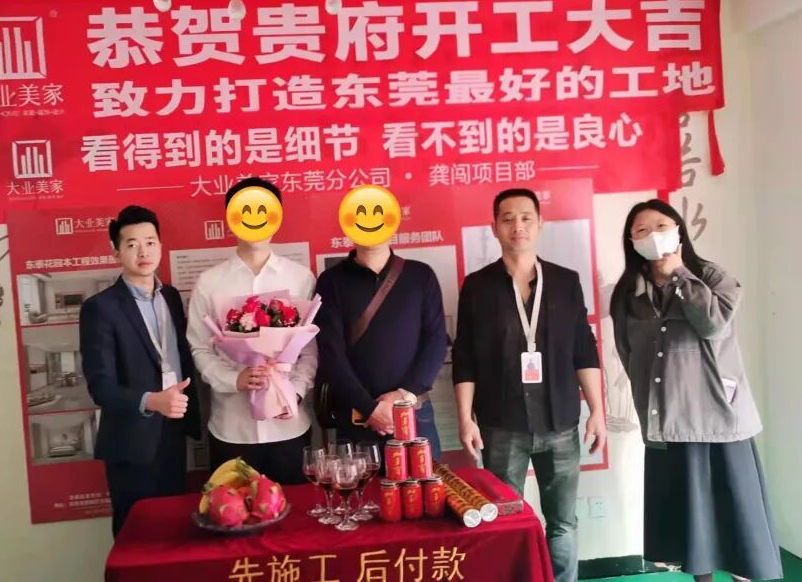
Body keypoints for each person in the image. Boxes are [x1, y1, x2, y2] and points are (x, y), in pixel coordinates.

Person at [610, 199, 781, 582]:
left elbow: (713, 325)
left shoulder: (711, 276)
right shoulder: (629, 293)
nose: (652, 235)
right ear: (631, 241)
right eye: (641, 230)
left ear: (678, 230)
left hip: (718, 417)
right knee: (690, 523)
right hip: (668, 419)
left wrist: (679, 275)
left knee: (737, 516)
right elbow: (627, 351)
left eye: (661, 226)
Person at [452, 188, 605, 582]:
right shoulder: (477, 287)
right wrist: (466, 419)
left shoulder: (566, 282)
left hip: (560, 422)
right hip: (502, 424)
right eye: (507, 219)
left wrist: (597, 412)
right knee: (506, 521)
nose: (517, 226)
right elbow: (465, 358)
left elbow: (584, 351)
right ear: (494, 227)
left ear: (540, 224)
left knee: (563, 523)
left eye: (525, 218)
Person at [187, 177, 317, 485]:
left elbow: (310, 350)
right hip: (232, 429)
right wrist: (234, 379)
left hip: (289, 427)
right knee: (232, 511)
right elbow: (200, 348)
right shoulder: (209, 282)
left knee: (295, 512)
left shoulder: (301, 278)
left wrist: (294, 393)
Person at [80, 205, 200, 537]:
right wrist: (151, 401)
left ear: (161, 246)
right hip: (131, 440)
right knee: (137, 532)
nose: (143, 252)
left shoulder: (171, 297)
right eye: (132, 244)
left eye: (150, 242)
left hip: (173, 431)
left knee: (174, 527)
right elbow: (100, 386)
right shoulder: (100, 308)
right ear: (116, 252)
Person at [314, 236, 447, 460]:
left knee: (423, 481)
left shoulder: (420, 275)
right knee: (361, 484)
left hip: (413, 411)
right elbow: (330, 353)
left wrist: (403, 395)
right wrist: (369, 408)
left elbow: (436, 341)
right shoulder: (331, 281)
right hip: (356, 415)